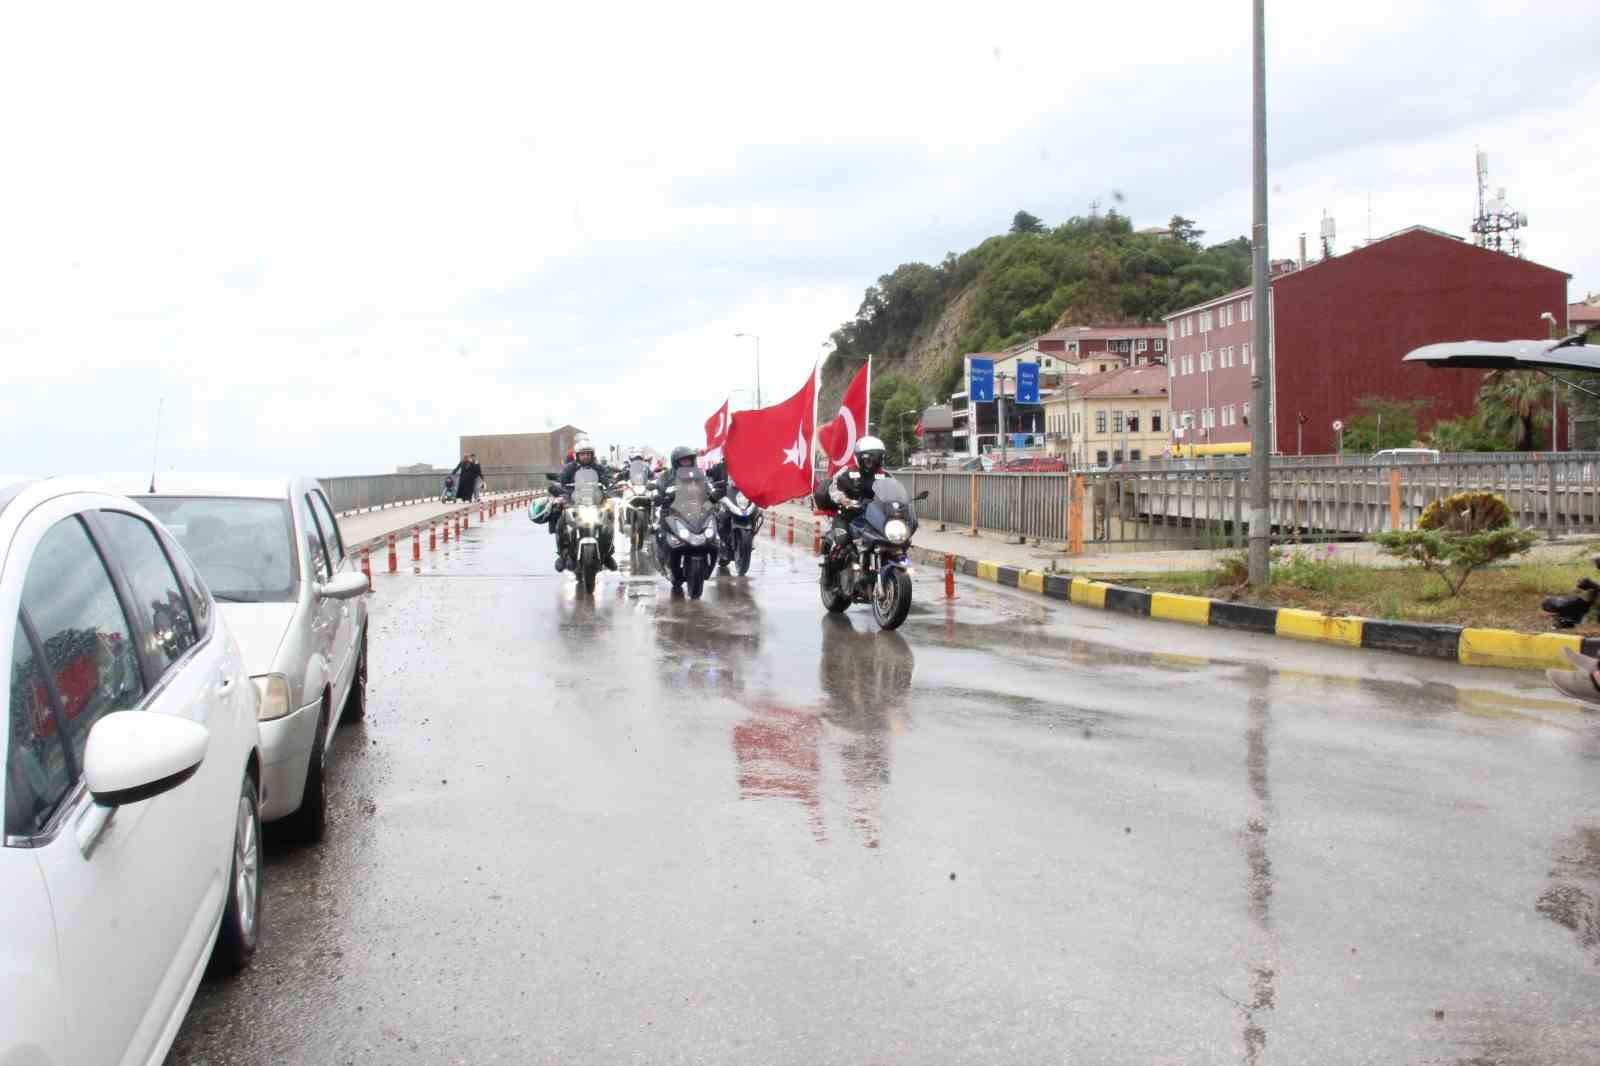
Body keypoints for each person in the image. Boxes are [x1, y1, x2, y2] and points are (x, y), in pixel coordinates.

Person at [822, 436, 889, 575]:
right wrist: (843, 499)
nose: (873, 463)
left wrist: (899, 504)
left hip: (873, 517)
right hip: (848, 515)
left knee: (892, 539)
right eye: (869, 459)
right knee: (842, 541)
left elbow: (895, 490)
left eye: (877, 458)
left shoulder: (884, 475)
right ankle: (829, 574)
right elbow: (834, 488)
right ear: (860, 458)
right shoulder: (848, 472)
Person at [551, 436, 617, 571]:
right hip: (575, 501)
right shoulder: (570, 468)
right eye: (583, 454)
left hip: (595, 502)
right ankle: (562, 556)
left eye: (588, 454)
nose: (585, 456)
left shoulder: (598, 467)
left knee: (608, 521)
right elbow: (562, 480)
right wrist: (560, 489)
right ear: (577, 455)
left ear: (592, 455)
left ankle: (608, 555)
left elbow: (607, 479)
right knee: (561, 522)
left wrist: (610, 487)